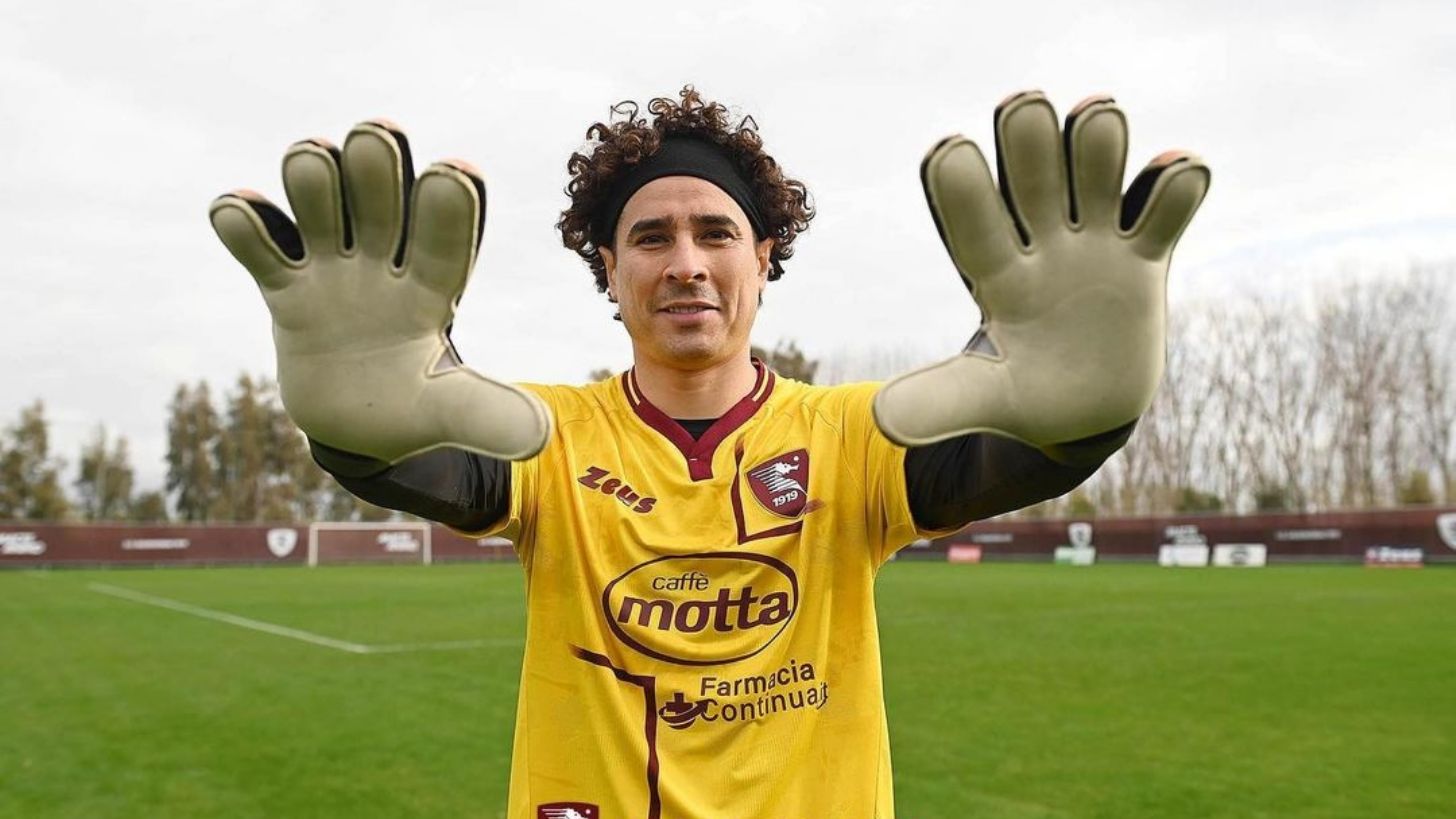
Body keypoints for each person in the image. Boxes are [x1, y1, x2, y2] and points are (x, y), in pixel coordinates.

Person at [210, 86, 1208, 818]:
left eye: (716, 232)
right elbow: (410, 454)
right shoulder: (544, 439)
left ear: (763, 257)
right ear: (609, 269)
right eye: (650, 238)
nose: (685, 262)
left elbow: (1020, 449)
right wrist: (357, 419)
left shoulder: (856, 438)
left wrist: (1082, 405)